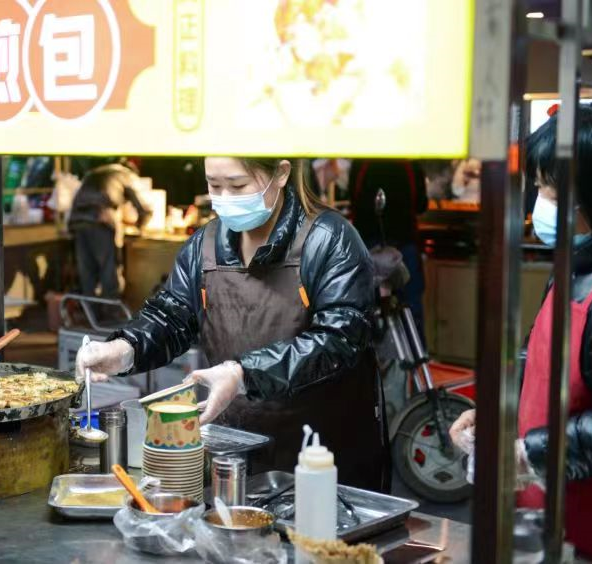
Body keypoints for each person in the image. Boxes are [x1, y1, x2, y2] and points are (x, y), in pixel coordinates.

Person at [75, 157, 388, 490]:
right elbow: (171, 316)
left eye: (238, 186)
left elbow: (340, 339)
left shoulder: (329, 240)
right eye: (214, 185)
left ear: (281, 174)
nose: (225, 197)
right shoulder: (205, 245)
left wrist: (243, 374)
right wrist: (125, 349)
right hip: (238, 452)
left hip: (324, 454)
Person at [450, 104, 592, 561]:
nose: (538, 204)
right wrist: (497, 411)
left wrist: (529, 454)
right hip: (543, 511)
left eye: (552, 191)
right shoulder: (572, 262)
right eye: (538, 186)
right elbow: (535, 357)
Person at [350, 159, 428, 338]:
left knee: (364, 308)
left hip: (368, 243)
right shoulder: (409, 160)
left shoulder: (361, 159)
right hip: (403, 243)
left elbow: (354, 199)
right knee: (410, 306)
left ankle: (368, 359)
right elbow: (421, 204)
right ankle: (416, 357)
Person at [68, 163, 151, 298]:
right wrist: (141, 226)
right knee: (109, 272)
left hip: (77, 222)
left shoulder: (96, 173)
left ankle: (92, 315)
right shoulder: (125, 175)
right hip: (100, 221)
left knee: (87, 274)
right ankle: (111, 313)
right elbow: (144, 209)